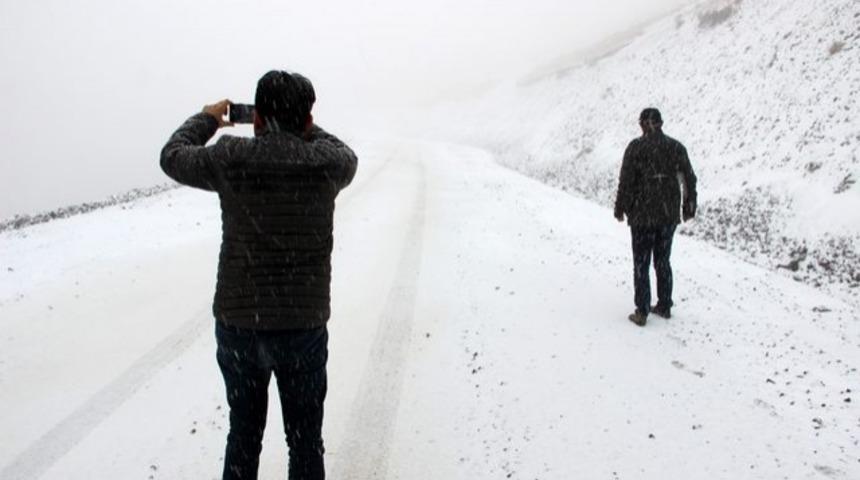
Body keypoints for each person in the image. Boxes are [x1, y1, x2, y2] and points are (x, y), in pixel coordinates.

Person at [160, 70, 357, 480]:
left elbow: (173, 155)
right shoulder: (327, 164)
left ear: (259, 118)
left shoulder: (230, 158)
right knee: (304, 440)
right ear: (307, 120)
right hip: (302, 328)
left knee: (244, 433)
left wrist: (210, 119)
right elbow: (344, 152)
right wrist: (299, 126)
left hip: (239, 327)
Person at [614, 108, 697, 327]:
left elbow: (626, 181)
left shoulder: (636, 148)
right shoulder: (676, 147)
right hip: (668, 216)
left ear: (643, 124)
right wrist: (689, 207)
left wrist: (620, 208)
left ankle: (642, 311)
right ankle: (664, 305)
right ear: (660, 123)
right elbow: (689, 178)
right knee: (663, 260)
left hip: (642, 216)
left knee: (642, 263)